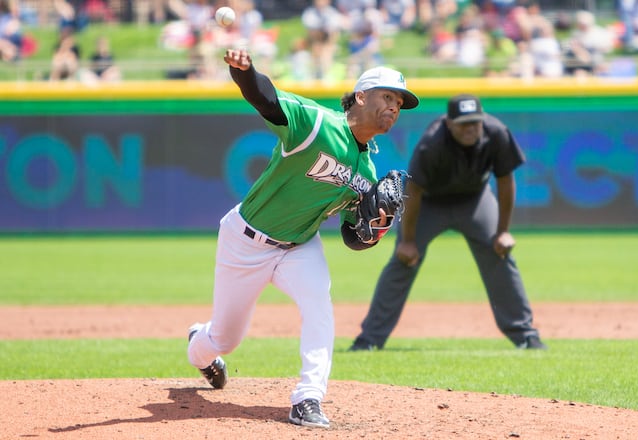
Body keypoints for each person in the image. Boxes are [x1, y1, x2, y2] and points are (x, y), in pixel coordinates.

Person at [186, 49, 419, 429]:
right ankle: (200, 344)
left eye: (400, 103)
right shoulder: (315, 123)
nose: (394, 107)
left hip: (299, 246)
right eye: (388, 97)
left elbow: (352, 237)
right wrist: (246, 72)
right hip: (245, 241)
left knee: (319, 306)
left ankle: (308, 398)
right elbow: (267, 99)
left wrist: (375, 228)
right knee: (224, 339)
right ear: (361, 96)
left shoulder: (367, 173)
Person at [350, 94, 546, 352]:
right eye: (464, 124)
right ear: (450, 124)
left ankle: (525, 335)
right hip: (429, 203)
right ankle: (369, 339)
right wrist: (407, 241)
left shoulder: (496, 133)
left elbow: (506, 180)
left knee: (499, 253)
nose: (470, 129)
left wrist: (503, 232)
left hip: (475, 200)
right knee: (404, 260)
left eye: (475, 122)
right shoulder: (432, 142)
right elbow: (414, 190)